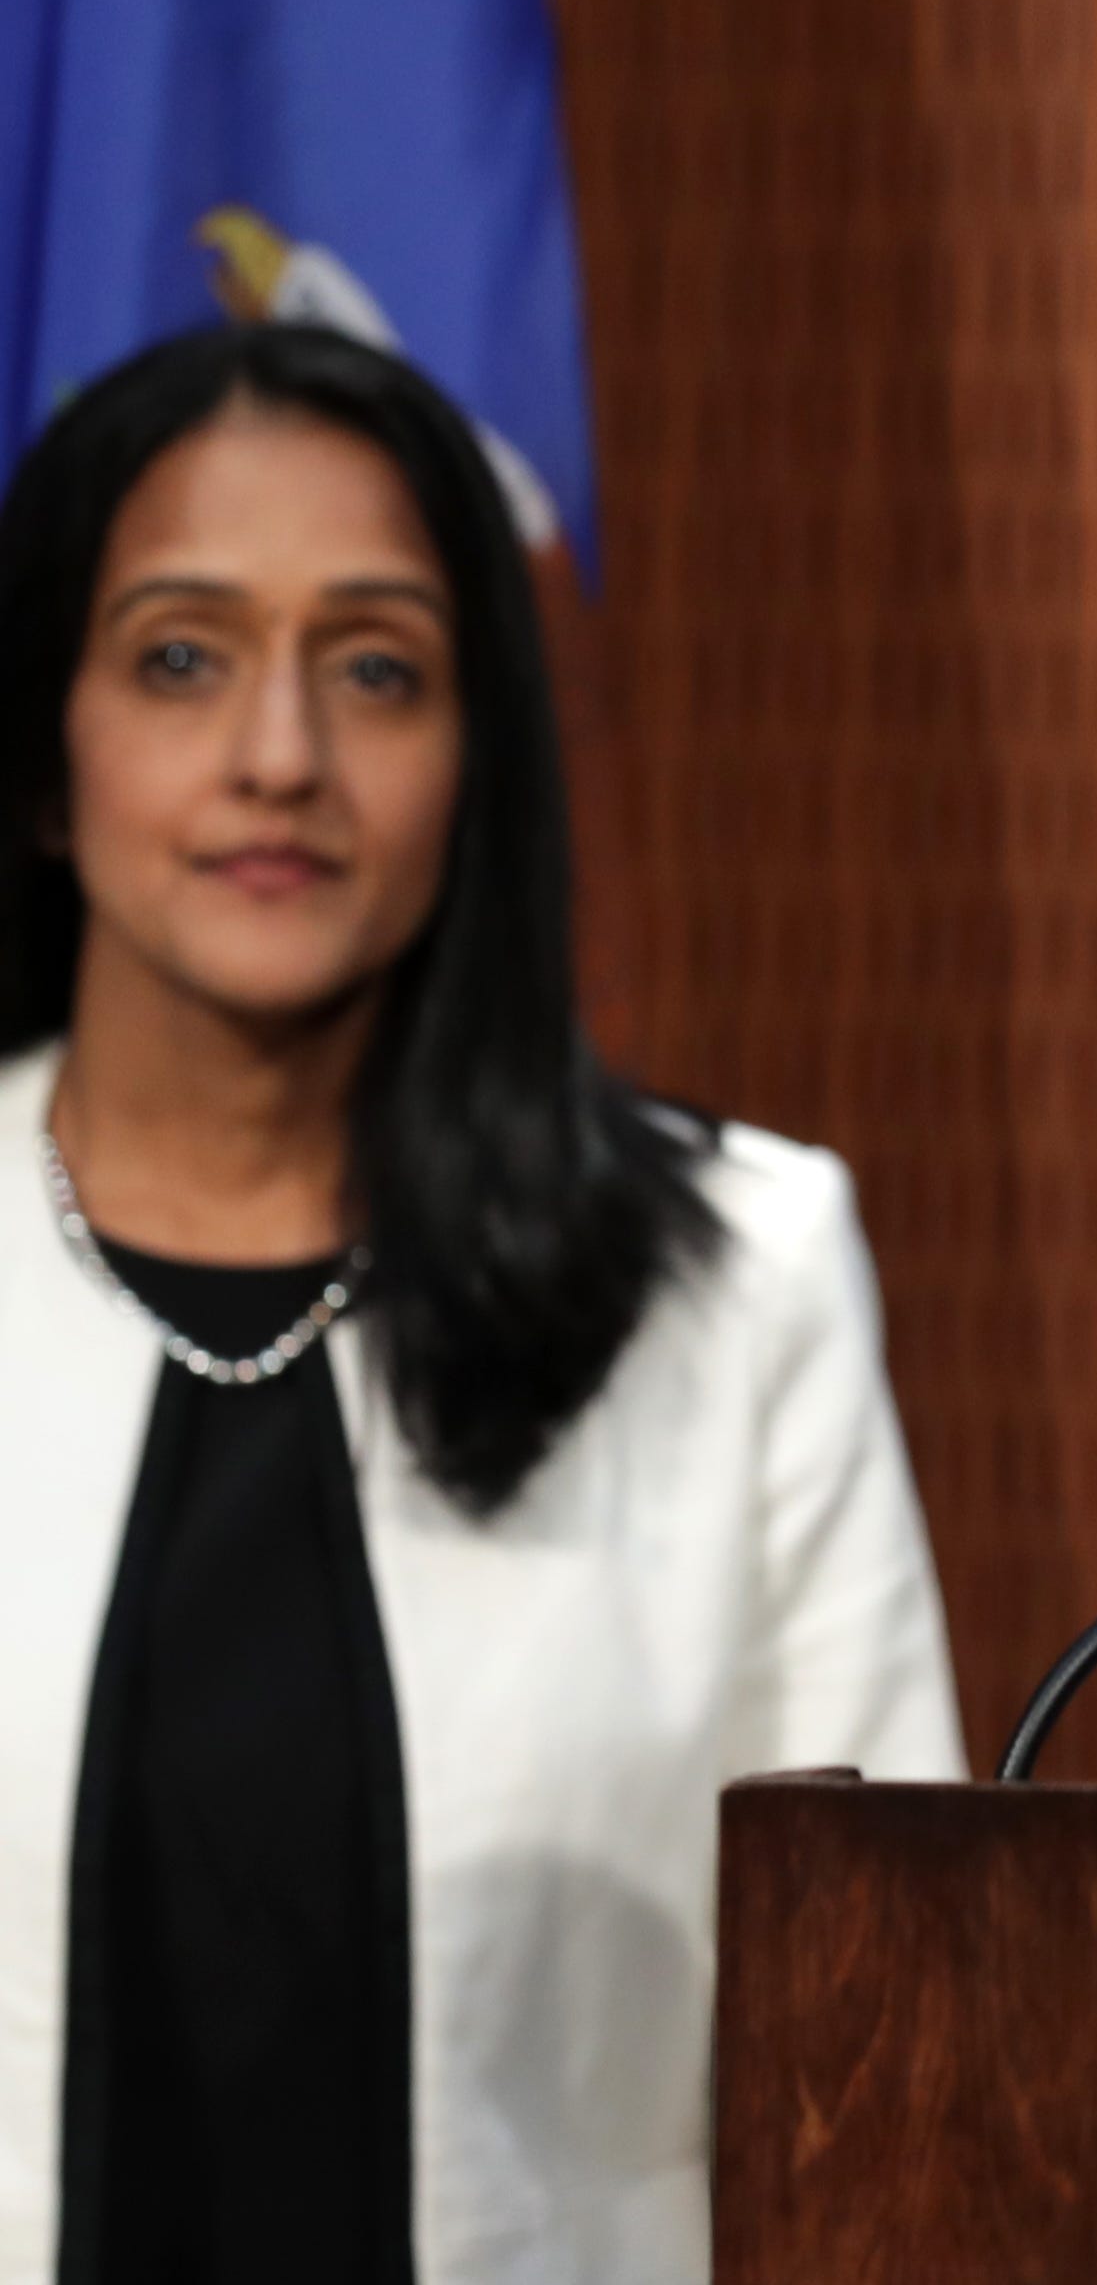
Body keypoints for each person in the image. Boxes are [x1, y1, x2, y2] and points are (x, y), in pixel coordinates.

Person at [0, 322, 962, 2284]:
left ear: (477, 756)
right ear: (44, 743)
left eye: (376, 666)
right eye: (181, 654)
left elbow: (882, 2058)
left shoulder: (739, 1276)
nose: (280, 750)